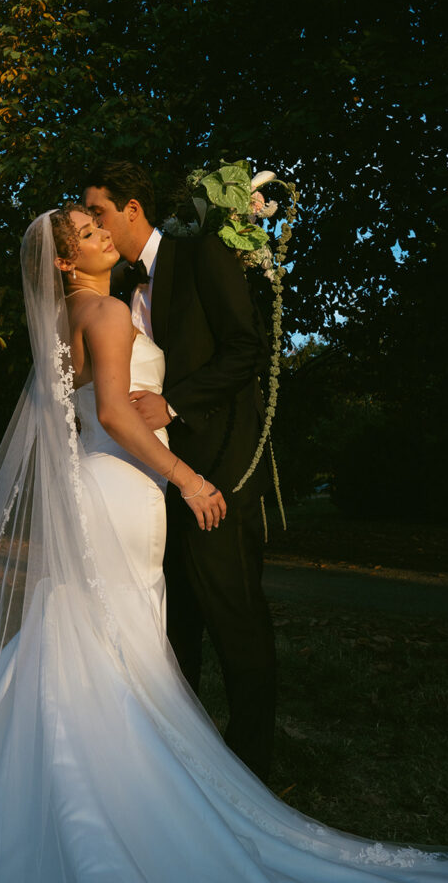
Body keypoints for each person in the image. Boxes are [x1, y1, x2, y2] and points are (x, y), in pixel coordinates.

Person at [0, 207, 448, 882]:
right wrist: (189, 478)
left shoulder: (64, 320)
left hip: (98, 486)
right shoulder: (106, 317)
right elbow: (112, 410)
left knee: (92, 627)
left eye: (98, 224)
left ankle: (77, 766)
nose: (104, 234)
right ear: (62, 262)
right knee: (121, 629)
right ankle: (117, 788)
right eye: (86, 233)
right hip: (124, 486)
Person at [83, 160, 276, 780]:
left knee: (235, 619)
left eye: (99, 212)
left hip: (219, 470)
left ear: (131, 209)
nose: (93, 223)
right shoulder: (120, 295)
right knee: (174, 625)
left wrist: (175, 404)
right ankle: (183, 761)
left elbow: (246, 347)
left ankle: (253, 764)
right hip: (152, 483)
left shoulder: (202, 256)